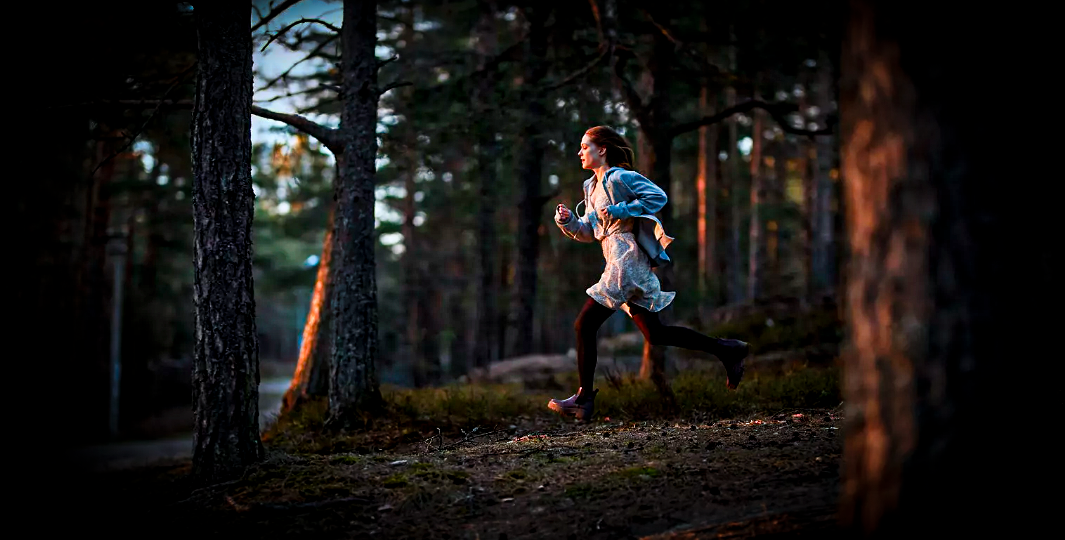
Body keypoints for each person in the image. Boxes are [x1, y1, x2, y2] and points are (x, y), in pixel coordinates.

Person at [547, 126, 750, 421]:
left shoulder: (621, 177)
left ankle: (584, 398)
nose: (579, 152)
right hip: (612, 255)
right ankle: (727, 349)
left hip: (627, 258)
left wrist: (622, 209)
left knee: (584, 325)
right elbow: (590, 232)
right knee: (655, 334)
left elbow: (658, 197)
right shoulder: (590, 186)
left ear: (601, 149)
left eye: (584, 146)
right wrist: (567, 222)